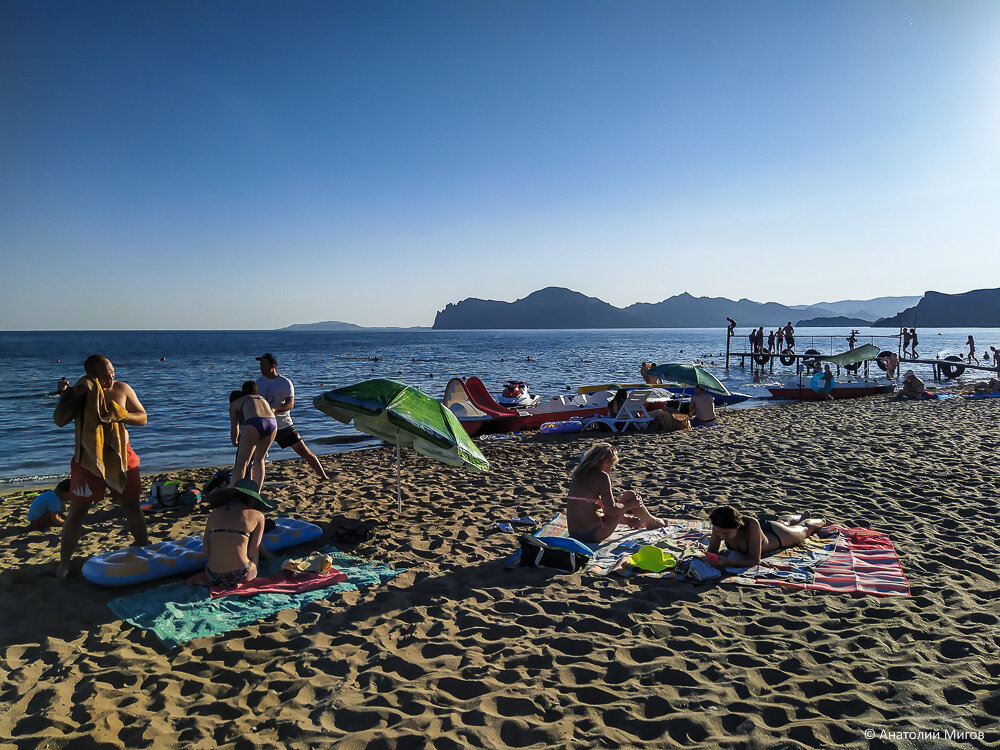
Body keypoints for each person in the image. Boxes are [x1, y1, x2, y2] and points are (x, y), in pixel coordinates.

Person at [52, 354, 149, 579]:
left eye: (113, 371)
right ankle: (64, 564)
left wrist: (122, 415)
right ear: (91, 376)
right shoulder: (78, 391)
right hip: (88, 458)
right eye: (106, 374)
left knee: (131, 505)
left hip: (122, 455)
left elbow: (143, 417)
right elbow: (59, 420)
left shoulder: (123, 389)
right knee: (77, 511)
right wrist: (76, 396)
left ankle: (145, 549)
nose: (112, 377)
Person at [565, 443, 665, 543]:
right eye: (612, 465)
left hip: (574, 534)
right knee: (630, 496)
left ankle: (632, 520)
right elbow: (611, 510)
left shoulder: (578, 475)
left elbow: (591, 506)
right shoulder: (602, 477)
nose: (610, 469)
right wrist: (630, 504)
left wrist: (625, 517)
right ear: (605, 462)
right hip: (592, 535)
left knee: (615, 505)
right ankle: (652, 522)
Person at [255, 353, 331, 481]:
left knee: (303, 451)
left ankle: (324, 476)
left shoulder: (285, 382)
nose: (261, 367)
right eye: (260, 364)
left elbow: (290, 404)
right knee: (255, 456)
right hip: (264, 424)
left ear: (273, 366)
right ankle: (249, 481)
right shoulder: (259, 382)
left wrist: (275, 409)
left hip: (283, 423)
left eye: (263, 364)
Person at [203, 478, 275, 587]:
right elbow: (252, 552)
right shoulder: (258, 516)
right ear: (252, 499)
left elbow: (206, 551)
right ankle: (270, 558)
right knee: (254, 552)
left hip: (212, 576)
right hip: (240, 576)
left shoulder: (213, 514)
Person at [705, 505, 826, 569]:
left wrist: (728, 562)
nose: (721, 536)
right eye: (718, 532)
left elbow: (754, 560)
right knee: (783, 521)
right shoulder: (720, 526)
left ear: (737, 527)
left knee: (804, 528)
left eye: (726, 534)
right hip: (767, 529)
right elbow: (712, 553)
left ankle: (821, 520)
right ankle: (802, 515)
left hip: (778, 536)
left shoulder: (750, 524)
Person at [229, 381, 278, 488]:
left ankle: (232, 489)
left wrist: (235, 442)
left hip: (254, 423)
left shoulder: (234, 404)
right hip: (273, 423)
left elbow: (235, 427)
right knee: (259, 459)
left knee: (242, 464)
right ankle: (257, 491)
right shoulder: (261, 398)